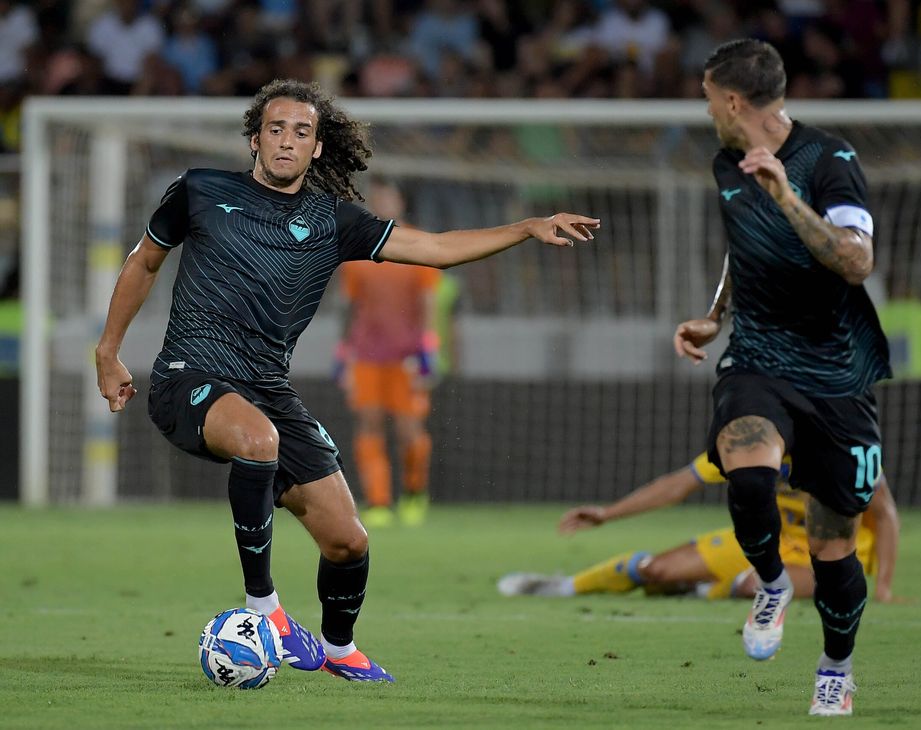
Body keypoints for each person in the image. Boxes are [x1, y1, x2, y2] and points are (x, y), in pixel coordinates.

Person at [94, 79, 599, 684]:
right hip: (188, 378)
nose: (287, 141)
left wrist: (523, 227)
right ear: (255, 139)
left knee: (348, 543)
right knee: (257, 441)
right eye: (276, 129)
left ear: (317, 149)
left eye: (301, 132)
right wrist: (108, 351)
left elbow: (434, 248)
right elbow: (144, 260)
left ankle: (338, 650)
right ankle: (267, 612)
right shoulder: (201, 190)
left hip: (267, 390)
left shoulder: (335, 222)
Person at [672, 39, 890, 716]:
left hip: (835, 372)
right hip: (759, 357)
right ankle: (770, 583)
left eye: (710, 100)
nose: (707, 111)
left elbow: (857, 262)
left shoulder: (832, 160)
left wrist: (789, 197)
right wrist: (715, 316)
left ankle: (836, 667)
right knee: (748, 465)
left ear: (734, 101)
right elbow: (745, 246)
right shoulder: (724, 162)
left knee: (833, 549)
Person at [497, 453, 899, 603]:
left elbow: (885, 515)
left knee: (753, 585)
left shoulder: (842, 443)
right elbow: (677, 485)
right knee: (654, 570)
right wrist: (608, 513)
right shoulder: (752, 442)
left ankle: (706, 589)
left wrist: (882, 585)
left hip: (832, 556)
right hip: (764, 542)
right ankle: (562, 587)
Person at [337, 178, 441, 528]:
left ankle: (414, 492)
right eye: (377, 197)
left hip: (406, 356)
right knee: (369, 425)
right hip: (367, 356)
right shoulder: (357, 250)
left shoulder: (417, 246)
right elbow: (350, 307)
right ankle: (378, 501)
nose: (383, 202)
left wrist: (427, 347)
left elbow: (429, 303)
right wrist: (344, 352)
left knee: (410, 432)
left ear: (400, 202)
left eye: (389, 196)